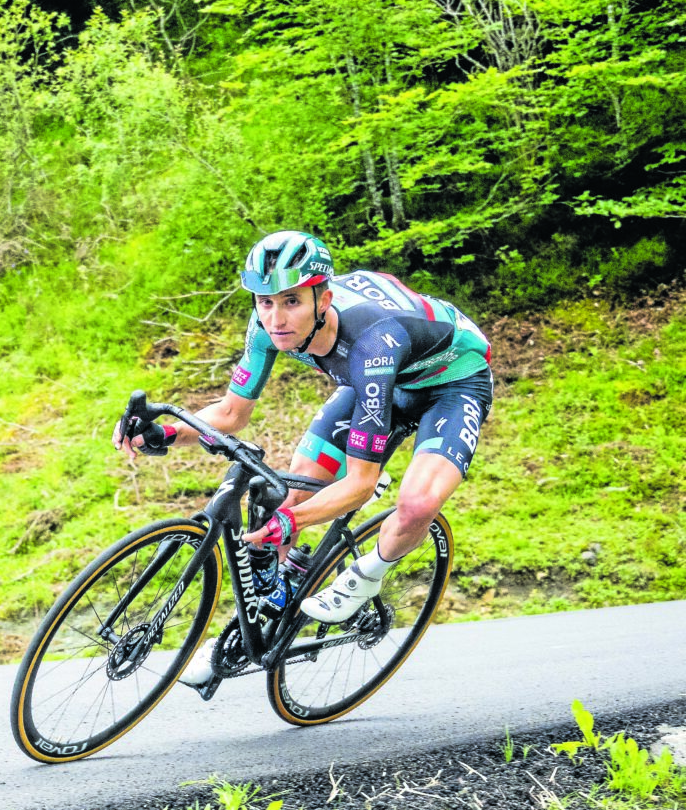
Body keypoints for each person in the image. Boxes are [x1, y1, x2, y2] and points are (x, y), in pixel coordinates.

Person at [112, 230, 493, 686]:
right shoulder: (267, 325)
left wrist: (293, 523)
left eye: (291, 301)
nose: (276, 318)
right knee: (292, 490)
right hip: (371, 383)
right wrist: (168, 432)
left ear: (323, 299)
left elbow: (360, 484)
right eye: (264, 302)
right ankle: (264, 616)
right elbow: (231, 413)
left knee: (417, 504)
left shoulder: (372, 342)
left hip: (451, 384)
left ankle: (365, 577)